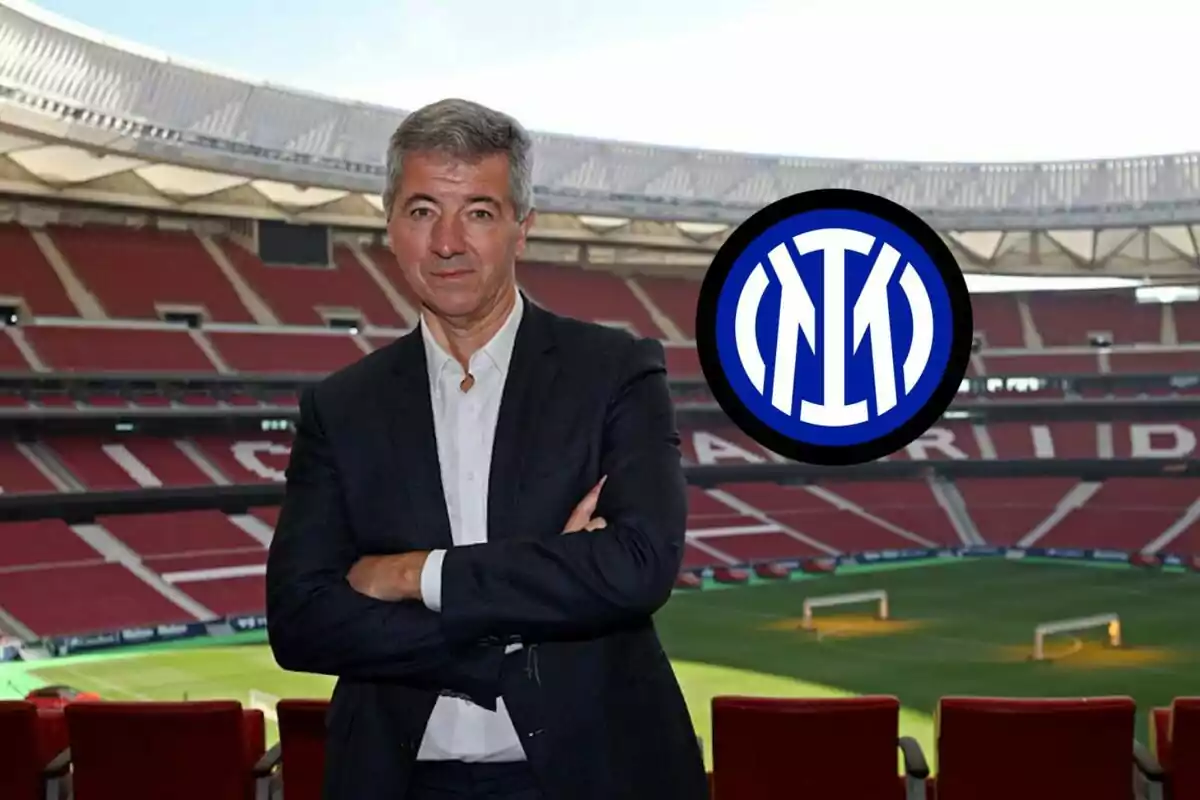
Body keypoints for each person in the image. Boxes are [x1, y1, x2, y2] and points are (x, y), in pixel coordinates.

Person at [265, 98, 709, 800]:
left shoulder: (616, 370)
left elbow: (637, 566)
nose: (447, 242)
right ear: (389, 227)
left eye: (478, 211)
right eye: (421, 211)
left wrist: (416, 576)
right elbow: (300, 622)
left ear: (520, 230)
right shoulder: (340, 406)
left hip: (593, 776)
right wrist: (529, 602)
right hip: (399, 779)